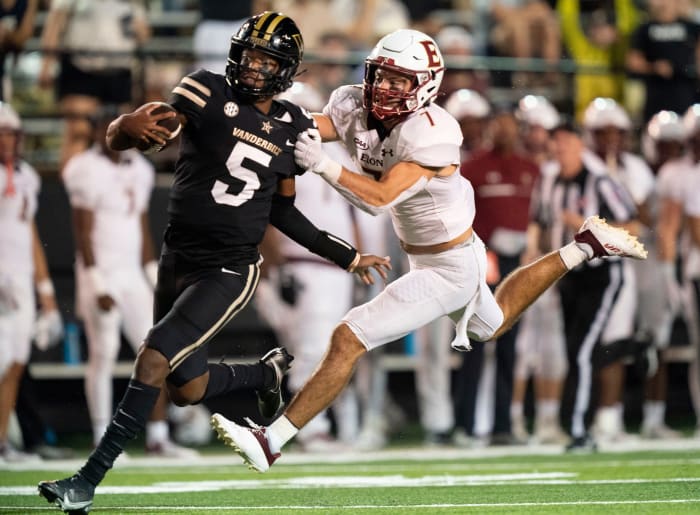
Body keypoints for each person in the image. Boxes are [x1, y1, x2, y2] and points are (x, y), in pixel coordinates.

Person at [208, 28, 648, 472]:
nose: (385, 88)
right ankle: (583, 247)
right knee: (489, 326)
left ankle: (271, 440)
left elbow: (379, 200)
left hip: (448, 268)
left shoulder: (433, 132)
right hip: (445, 250)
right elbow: (310, 126)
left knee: (348, 337)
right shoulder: (352, 103)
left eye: (399, 81)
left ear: (427, 84)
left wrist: (322, 165)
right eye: (381, 75)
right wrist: (248, 115)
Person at [37, 12, 389, 514]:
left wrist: (347, 255)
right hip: (177, 255)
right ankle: (263, 377)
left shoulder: (291, 125)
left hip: (230, 267)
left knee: (154, 355)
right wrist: (123, 128)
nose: (252, 65)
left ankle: (86, 480)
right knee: (188, 389)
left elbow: (283, 210)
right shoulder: (204, 90)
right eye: (249, 53)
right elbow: (134, 132)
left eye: (266, 58)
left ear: (286, 68)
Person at [62, 108, 196, 457]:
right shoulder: (83, 168)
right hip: (100, 272)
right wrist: (96, 282)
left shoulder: (141, 168)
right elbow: (83, 232)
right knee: (103, 354)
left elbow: (139, 226)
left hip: (132, 273)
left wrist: (154, 274)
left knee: (157, 351)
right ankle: (99, 436)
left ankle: (158, 435)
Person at [0, 101, 62, 461]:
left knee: (17, 362)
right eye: (3, 134)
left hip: (21, 281)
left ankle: (3, 443)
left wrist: (46, 292)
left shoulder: (27, 176)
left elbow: (29, 234)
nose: (9, 141)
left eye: (13, 134)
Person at [38, 0, 151, 170]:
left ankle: (121, 190)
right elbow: (55, 23)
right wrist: (47, 64)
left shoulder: (131, 3)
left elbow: (143, 34)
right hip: (81, 67)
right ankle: (73, 189)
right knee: (78, 132)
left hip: (118, 70)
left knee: (124, 135)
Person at [626, 0, 700, 123]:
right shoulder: (644, 29)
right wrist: (654, 67)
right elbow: (633, 62)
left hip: (687, 96)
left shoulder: (692, 28)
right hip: (656, 98)